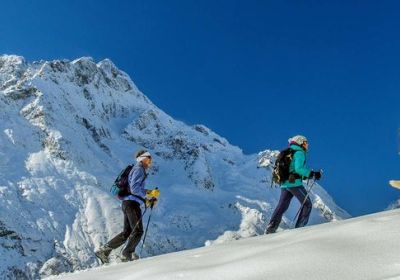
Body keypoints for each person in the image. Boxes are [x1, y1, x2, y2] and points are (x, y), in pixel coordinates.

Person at [95, 150, 158, 263]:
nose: (150, 160)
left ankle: (104, 251)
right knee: (138, 231)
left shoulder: (137, 169)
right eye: (149, 158)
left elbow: (133, 190)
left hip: (128, 203)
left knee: (127, 232)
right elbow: (134, 189)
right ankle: (127, 254)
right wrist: (148, 193)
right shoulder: (139, 169)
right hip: (131, 204)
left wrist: (146, 200)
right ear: (142, 158)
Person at [266, 135, 322, 234]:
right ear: (300, 142)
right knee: (307, 204)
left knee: (282, 205)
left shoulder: (288, 151)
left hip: (284, 184)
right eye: (306, 142)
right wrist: (313, 174)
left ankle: (271, 227)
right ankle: (300, 229)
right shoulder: (299, 152)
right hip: (294, 184)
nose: (307, 145)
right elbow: (298, 169)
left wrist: (305, 176)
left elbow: (292, 169)